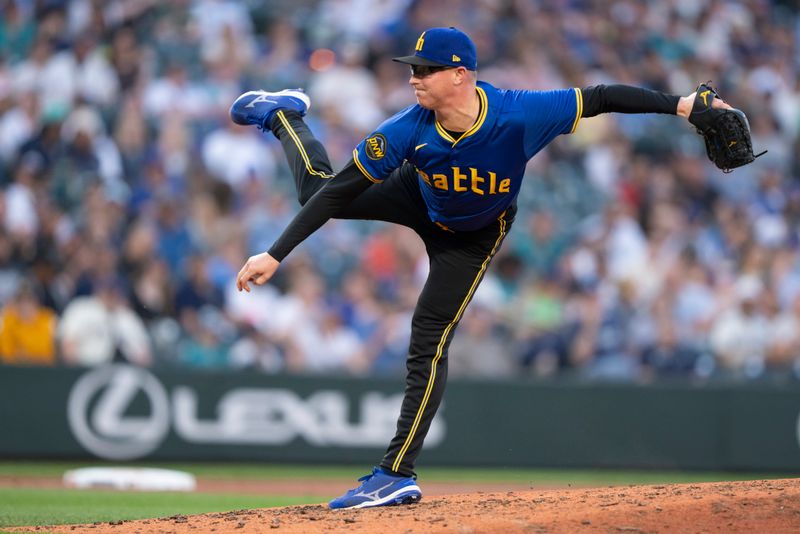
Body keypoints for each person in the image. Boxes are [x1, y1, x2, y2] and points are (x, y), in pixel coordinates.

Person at [231, 27, 731, 509]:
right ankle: (284, 114)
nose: (414, 78)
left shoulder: (519, 113)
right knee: (317, 191)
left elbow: (600, 97)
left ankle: (394, 475)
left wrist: (683, 106)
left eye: (426, 70)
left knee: (428, 336)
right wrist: (276, 253)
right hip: (417, 196)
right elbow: (341, 190)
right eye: (413, 68)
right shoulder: (406, 128)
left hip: (474, 235)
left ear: (460, 75)